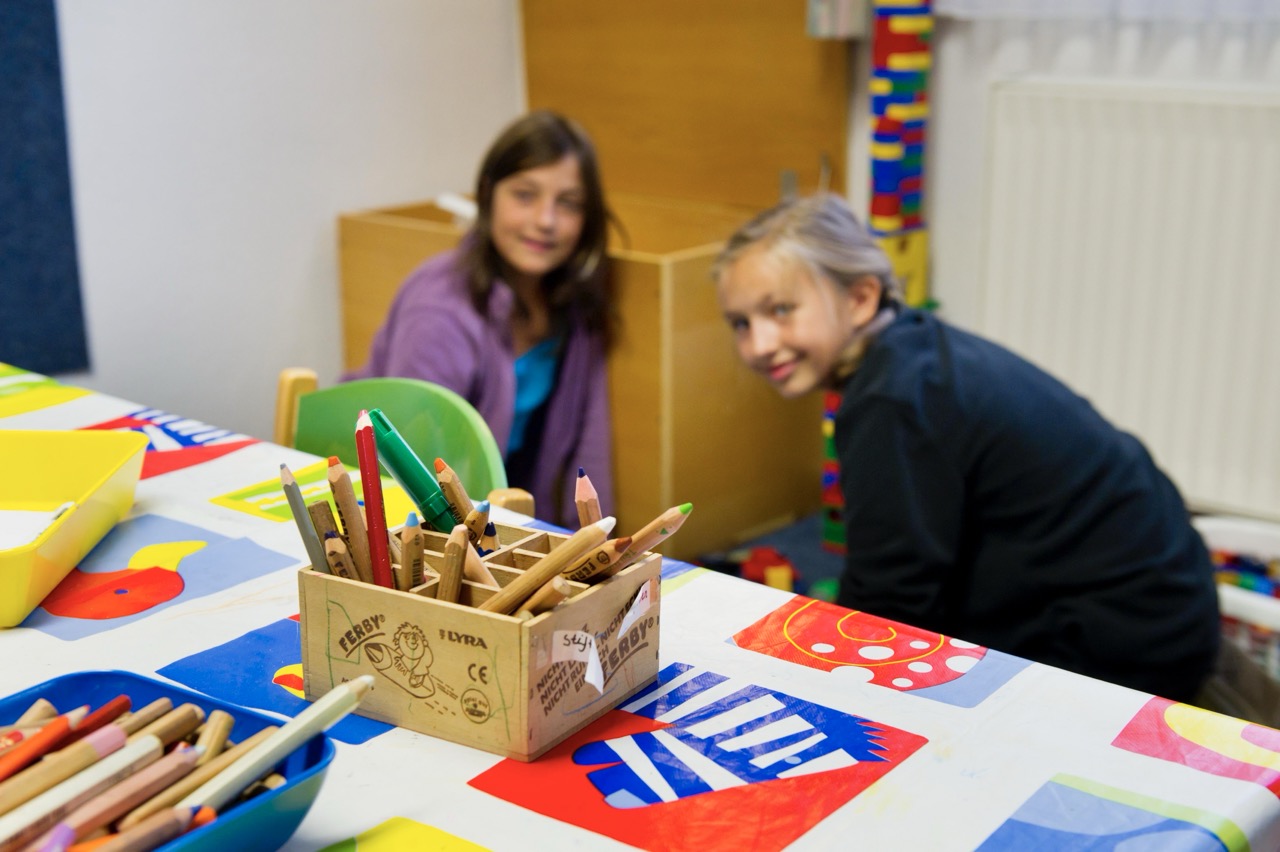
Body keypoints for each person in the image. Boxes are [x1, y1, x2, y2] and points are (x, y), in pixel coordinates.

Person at [712, 192, 1225, 706]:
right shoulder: (915, 351)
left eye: (781, 309)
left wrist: (816, 684)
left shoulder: (891, 403)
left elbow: (888, 603)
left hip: (1127, 649)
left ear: (861, 298)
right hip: (1170, 600)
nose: (758, 344)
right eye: (741, 323)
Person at [344, 110, 614, 527]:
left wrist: (595, 541)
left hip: (498, 513)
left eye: (569, 204)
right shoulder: (440, 306)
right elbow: (411, 471)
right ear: (487, 194)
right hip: (401, 514)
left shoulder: (575, 304)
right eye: (525, 195)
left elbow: (590, 448)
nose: (545, 221)